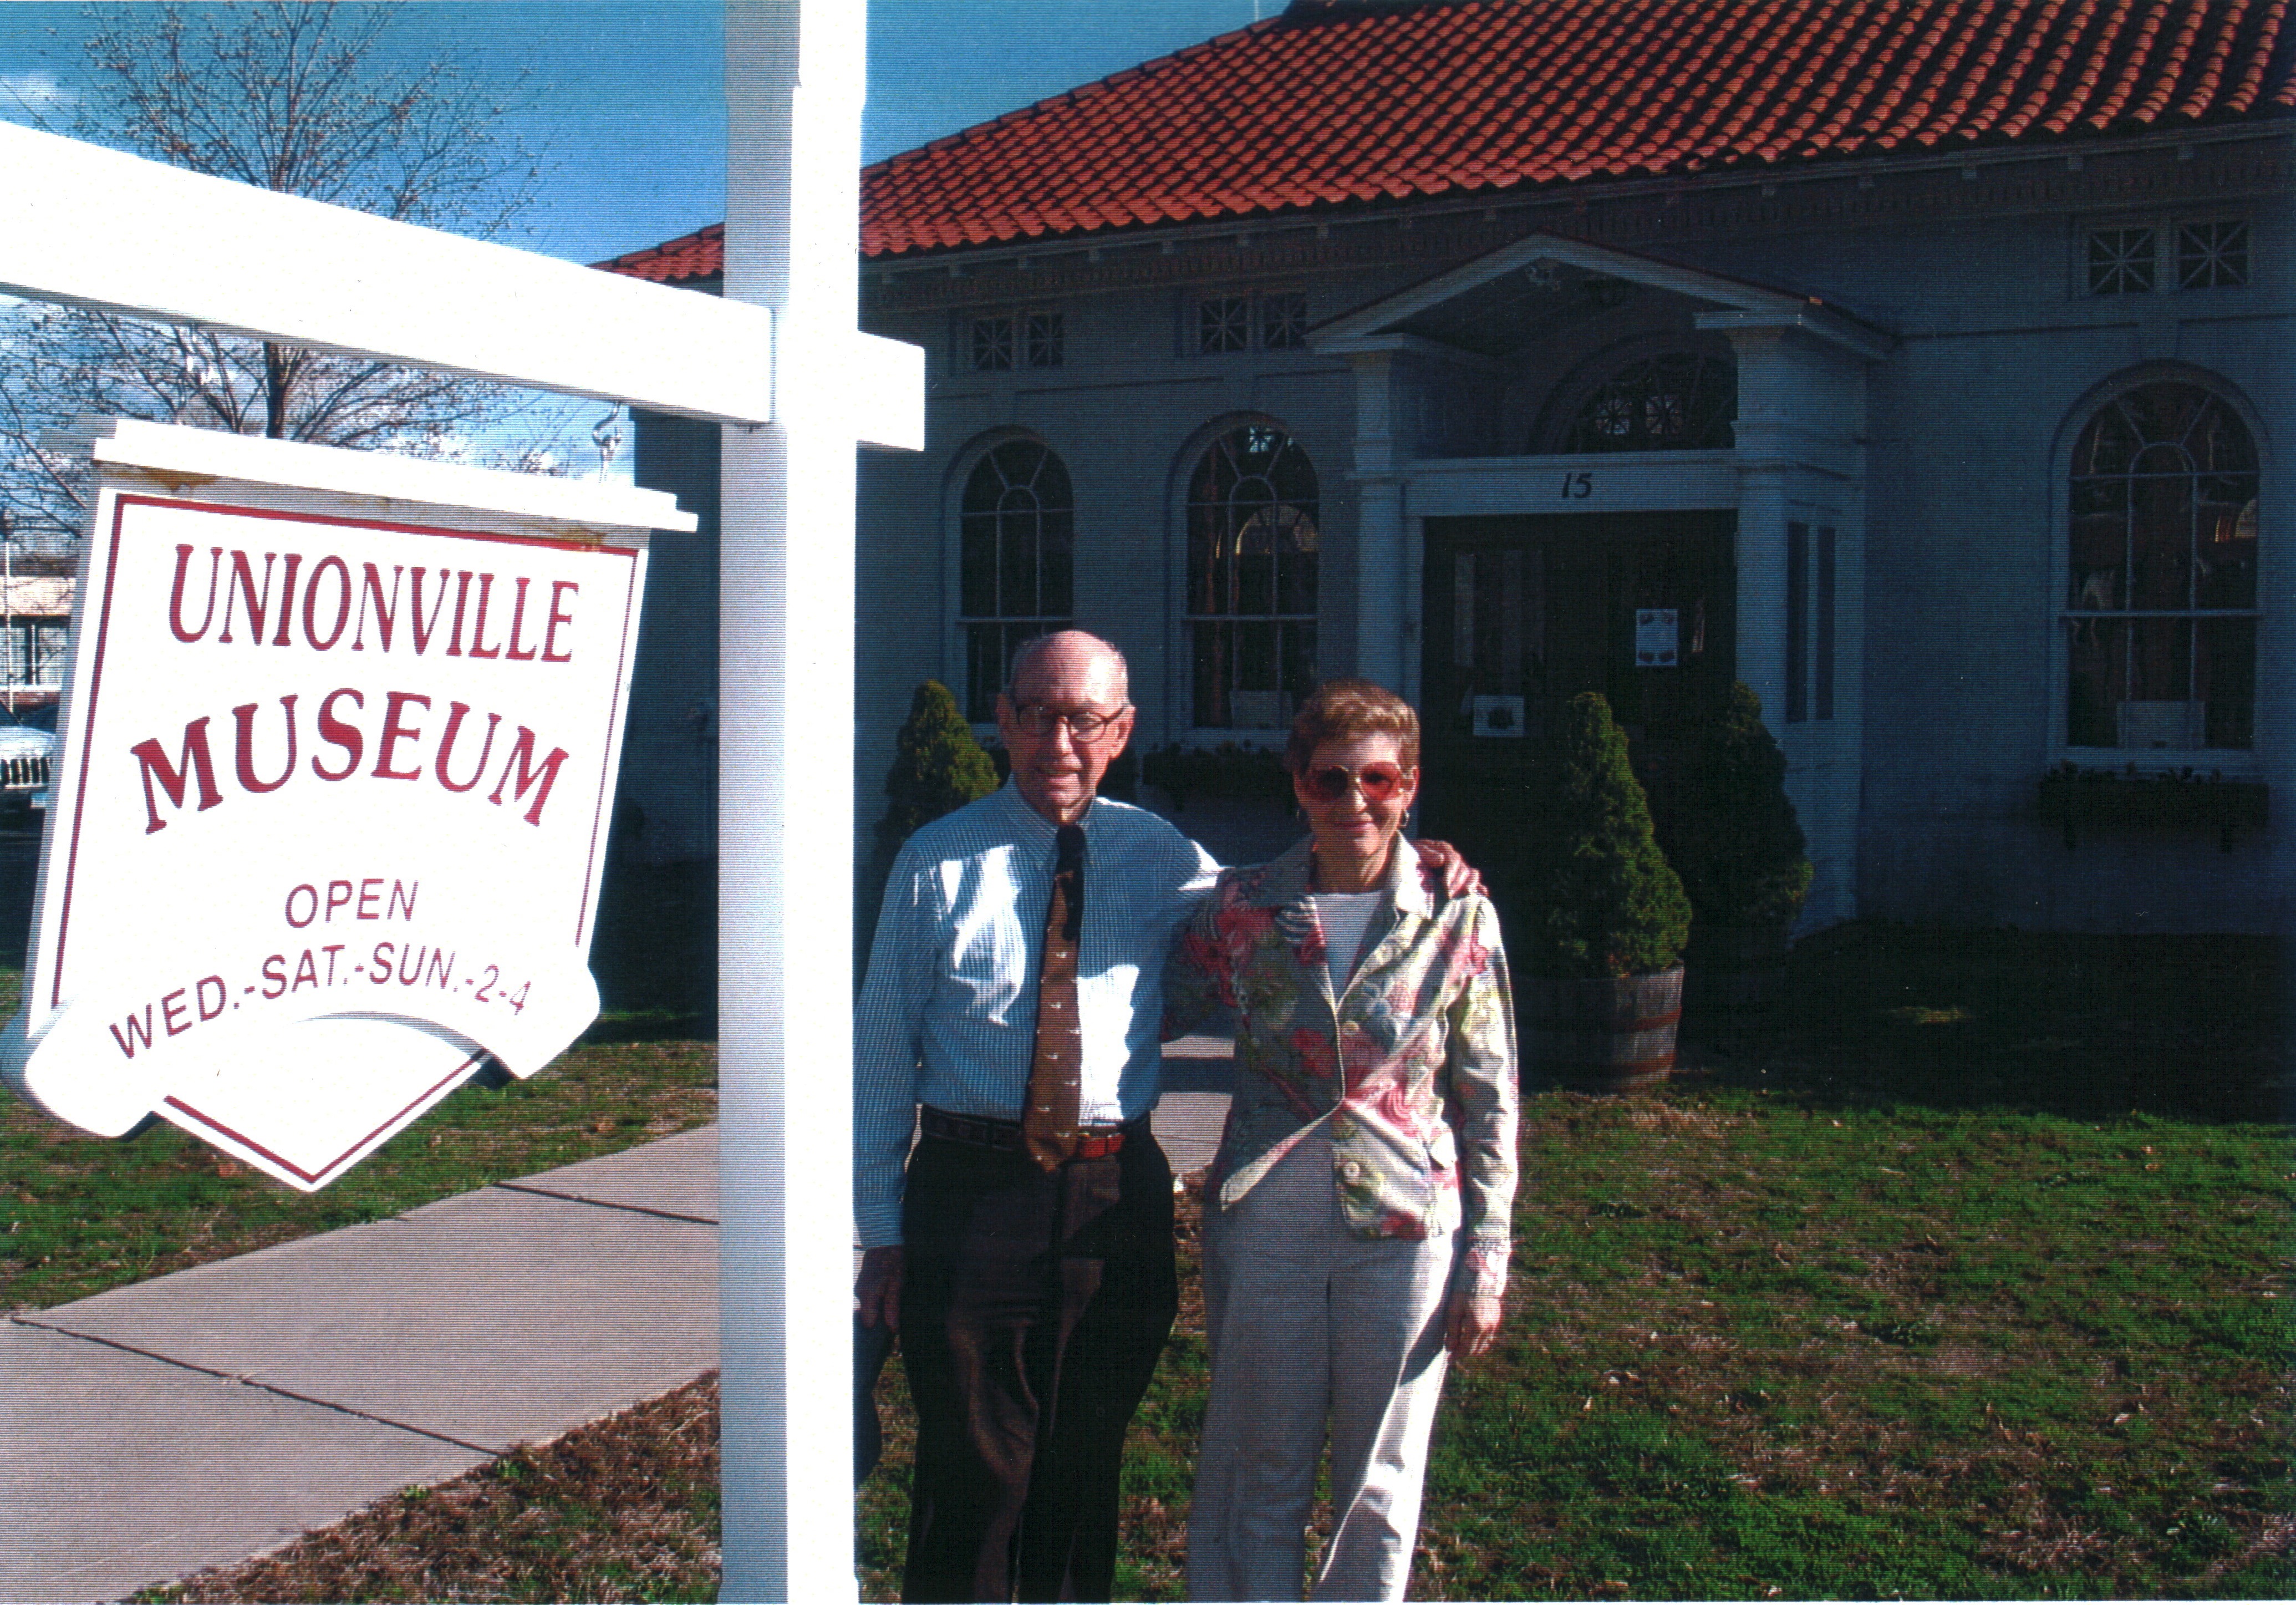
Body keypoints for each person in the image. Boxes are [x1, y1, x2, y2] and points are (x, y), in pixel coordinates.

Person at [856, 634, 1478, 1603]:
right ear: (1005, 717)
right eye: (1038, 713)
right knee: (973, 1469)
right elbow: (883, 1059)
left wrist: (1413, 854)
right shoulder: (935, 864)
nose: (1058, 741)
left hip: (1115, 1198)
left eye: (1085, 719)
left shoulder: (1163, 857)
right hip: (971, 1197)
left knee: (1083, 1462)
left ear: (1122, 731)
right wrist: (882, 1232)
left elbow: (1287, 895)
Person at [1168, 679, 1518, 1603]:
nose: (1356, 801)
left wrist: (1486, 1258)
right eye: (1332, 779)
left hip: (1404, 1227)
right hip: (1266, 1220)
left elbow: (1490, 1100)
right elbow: (1145, 1005)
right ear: (1297, 783)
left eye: (1380, 778)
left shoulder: (1457, 912)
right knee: (1261, 1468)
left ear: (1410, 783)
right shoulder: (1240, 911)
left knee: (1379, 1480)